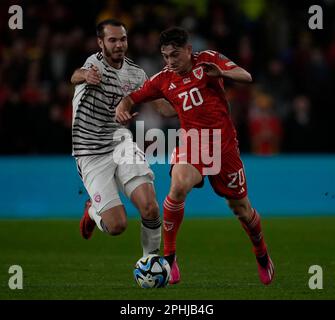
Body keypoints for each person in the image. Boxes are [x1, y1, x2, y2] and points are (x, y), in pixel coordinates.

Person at [115, 27, 275, 285]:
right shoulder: (163, 79)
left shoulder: (209, 59)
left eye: (175, 55)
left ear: (189, 50)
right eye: (165, 56)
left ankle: (262, 255)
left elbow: (246, 76)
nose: (170, 62)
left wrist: (221, 73)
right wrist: (121, 110)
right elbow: (129, 99)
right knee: (177, 187)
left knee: (241, 209)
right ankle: (169, 259)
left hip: (224, 146)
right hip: (193, 143)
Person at [70, 19, 176, 258]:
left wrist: (189, 103)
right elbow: (75, 76)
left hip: (121, 143)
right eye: (112, 40)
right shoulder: (94, 64)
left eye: (123, 39)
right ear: (101, 43)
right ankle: (93, 212)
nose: (119, 45)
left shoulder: (136, 74)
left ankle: (152, 262)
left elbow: (162, 107)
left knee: (150, 207)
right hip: (90, 152)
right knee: (117, 226)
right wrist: (86, 75)